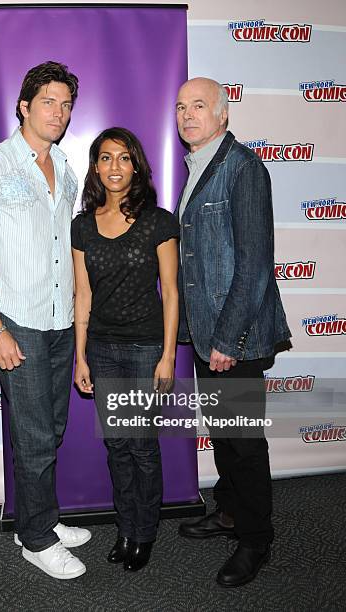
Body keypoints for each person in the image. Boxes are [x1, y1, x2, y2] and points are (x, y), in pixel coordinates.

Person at [0, 61, 91, 580]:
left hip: (58, 324)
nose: (58, 112)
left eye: (66, 104)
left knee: (50, 431)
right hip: (20, 326)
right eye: (48, 102)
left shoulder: (67, 170)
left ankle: (43, 519)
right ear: (24, 106)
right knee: (34, 439)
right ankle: (35, 540)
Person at [175, 78, 291, 587]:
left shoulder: (243, 168)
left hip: (233, 337)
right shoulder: (199, 166)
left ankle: (256, 539)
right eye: (180, 107)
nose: (187, 114)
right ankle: (228, 512)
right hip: (208, 333)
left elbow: (254, 266)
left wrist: (228, 339)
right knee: (223, 433)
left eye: (198, 105)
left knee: (243, 442)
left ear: (223, 114)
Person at [72, 127, 179, 572]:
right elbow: (82, 294)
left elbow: (171, 292)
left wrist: (168, 354)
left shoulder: (158, 220)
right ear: (95, 166)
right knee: (117, 446)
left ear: (136, 165)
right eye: (105, 157)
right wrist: (80, 355)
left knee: (141, 445)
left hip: (145, 347)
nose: (114, 166)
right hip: (102, 348)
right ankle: (126, 526)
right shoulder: (82, 225)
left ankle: (145, 531)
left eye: (123, 157)